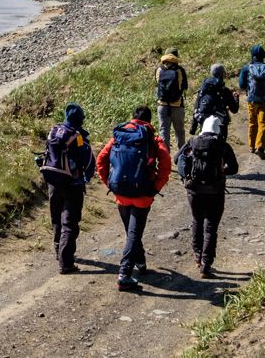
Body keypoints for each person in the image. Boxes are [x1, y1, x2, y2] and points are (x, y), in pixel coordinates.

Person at [97, 105, 172, 291]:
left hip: (121, 193)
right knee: (134, 233)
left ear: (132, 117)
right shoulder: (152, 138)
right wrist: (156, 187)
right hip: (143, 194)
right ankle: (124, 274)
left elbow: (101, 159)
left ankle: (140, 260)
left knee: (132, 232)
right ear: (149, 120)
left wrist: (110, 183)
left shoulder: (119, 135)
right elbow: (166, 164)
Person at [39, 103, 96, 273]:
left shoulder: (55, 131)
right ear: (80, 119)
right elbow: (89, 162)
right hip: (72, 183)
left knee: (56, 217)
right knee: (70, 223)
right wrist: (85, 178)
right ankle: (66, 263)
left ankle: (58, 250)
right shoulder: (78, 137)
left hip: (53, 181)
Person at [181, 115, 238, 278]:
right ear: (217, 130)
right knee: (211, 226)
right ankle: (206, 264)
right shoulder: (222, 145)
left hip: (194, 191)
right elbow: (234, 168)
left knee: (197, 221)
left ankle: (198, 256)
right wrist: (221, 171)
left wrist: (187, 177)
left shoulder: (192, 142)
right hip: (215, 191)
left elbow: (178, 159)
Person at [238, 44, 265, 158]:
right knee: (263, 123)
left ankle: (251, 146)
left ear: (252, 56)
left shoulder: (247, 68)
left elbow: (241, 84)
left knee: (252, 122)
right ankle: (259, 146)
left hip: (252, 100)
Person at [193, 63, 239, 142]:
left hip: (204, 120)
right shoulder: (225, 91)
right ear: (222, 74)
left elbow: (196, 106)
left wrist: (193, 128)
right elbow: (234, 109)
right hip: (220, 124)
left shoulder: (203, 88)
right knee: (220, 145)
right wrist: (236, 98)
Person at [154, 48, 190, 151]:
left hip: (162, 105)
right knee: (179, 132)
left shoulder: (158, 69)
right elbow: (185, 86)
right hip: (177, 105)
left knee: (164, 131)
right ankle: (182, 155)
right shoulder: (179, 70)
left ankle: (165, 159)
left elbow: (157, 84)